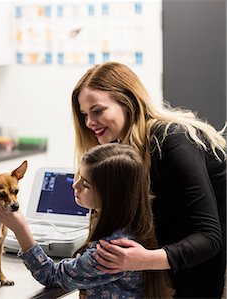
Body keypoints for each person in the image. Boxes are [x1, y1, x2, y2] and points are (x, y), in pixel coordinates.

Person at [71, 61, 226, 298]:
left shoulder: (171, 140)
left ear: (128, 102)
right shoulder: (121, 150)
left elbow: (209, 238)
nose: (89, 122)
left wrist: (143, 259)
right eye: (84, 115)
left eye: (98, 110)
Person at [0, 143, 174, 298]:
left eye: (85, 184)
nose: (74, 185)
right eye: (78, 176)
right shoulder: (134, 223)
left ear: (111, 195)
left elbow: (51, 276)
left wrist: (20, 228)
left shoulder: (110, 252)